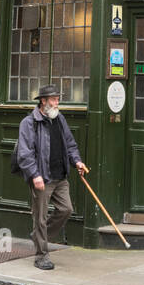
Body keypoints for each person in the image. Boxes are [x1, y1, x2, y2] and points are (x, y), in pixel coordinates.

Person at [16, 85, 88, 270]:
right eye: (54, 99)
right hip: (42, 178)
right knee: (40, 217)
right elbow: (25, 154)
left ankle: (39, 237)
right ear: (43, 101)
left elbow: (70, 144)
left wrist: (77, 162)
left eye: (57, 99)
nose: (57, 103)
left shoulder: (59, 119)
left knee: (66, 210)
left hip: (60, 176)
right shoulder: (29, 122)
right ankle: (41, 256)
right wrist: (34, 175)